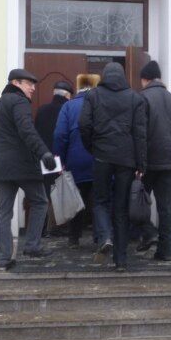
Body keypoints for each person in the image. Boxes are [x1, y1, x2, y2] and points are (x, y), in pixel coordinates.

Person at [79, 62, 147, 271]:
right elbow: (140, 133)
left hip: (101, 156)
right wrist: (141, 162)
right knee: (121, 209)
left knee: (100, 201)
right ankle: (121, 261)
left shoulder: (93, 96)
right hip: (126, 159)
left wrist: (92, 147)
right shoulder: (135, 98)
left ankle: (105, 236)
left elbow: (84, 124)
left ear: (104, 76)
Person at [0, 68, 57, 271]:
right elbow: (27, 130)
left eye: (33, 84)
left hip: (2, 167)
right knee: (40, 201)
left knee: (4, 212)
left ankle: (3, 258)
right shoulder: (19, 102)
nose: (33, 88)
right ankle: (32, 245)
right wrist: (44, 153)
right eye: (29, 83)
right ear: (16, 83)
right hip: (22, 165)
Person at [133, 60, 171, 262]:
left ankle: (148, 232)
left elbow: (139, 133)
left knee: (136, 202)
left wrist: (139, 162)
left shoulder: (142, 98)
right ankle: (165, 251)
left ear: (144, 79)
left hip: (147, 162)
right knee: (165, 207)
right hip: (169, 163)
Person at [53, 73, 100, 248]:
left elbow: (60, 135)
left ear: (78, 88)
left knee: (74, 198)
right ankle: (100, 237)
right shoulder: (100, 105)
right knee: (99, 201)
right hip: (98, 160)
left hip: (75, 161)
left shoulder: (68, 106)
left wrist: (59, 160)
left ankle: (74, 238)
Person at [35, 79, 74, 237]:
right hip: (61, 156)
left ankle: (41, 228)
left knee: (44, 192)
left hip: (44, 156)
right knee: (61, 191)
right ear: (67, 95)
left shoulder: (42, 110)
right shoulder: (67, 109)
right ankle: (59, 227)